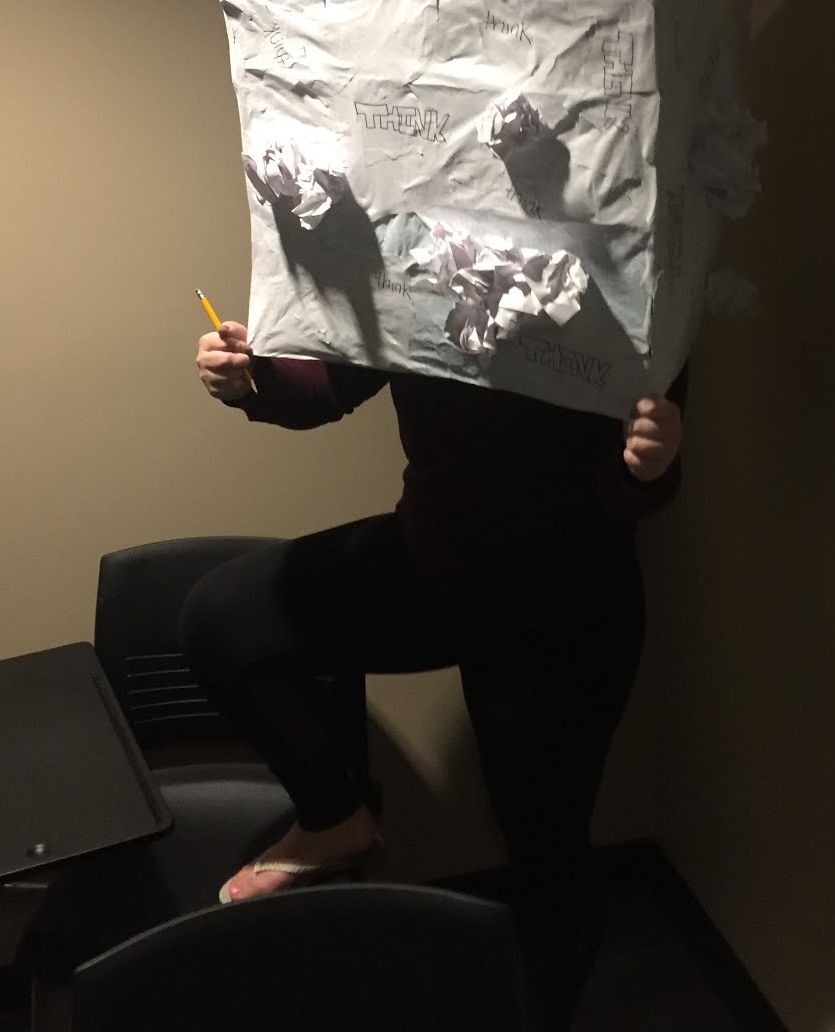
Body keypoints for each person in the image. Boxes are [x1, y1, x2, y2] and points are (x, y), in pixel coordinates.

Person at [183, 321, 686, 1031]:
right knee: (224, 619)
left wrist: (648, 468)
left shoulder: (636, 277)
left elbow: (633, 476)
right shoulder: (419, 261)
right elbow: (332, 379)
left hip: (563, 612)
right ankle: (335, 820)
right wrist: (250, 379)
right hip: (434, 565)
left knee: (546, 853)